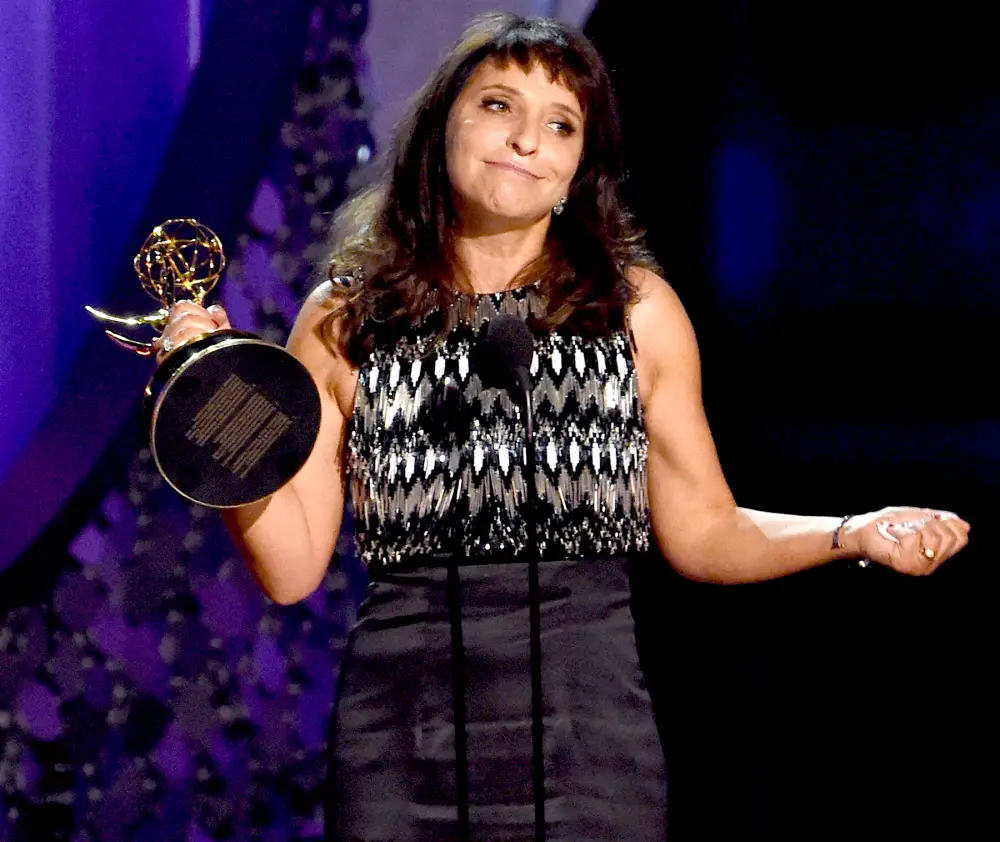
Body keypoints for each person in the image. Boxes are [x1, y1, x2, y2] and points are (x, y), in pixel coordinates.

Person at [155, 13, 971, 842]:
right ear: (444, 126)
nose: (525, 141)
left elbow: (705, 531)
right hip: (398, 740)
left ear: (580, 167)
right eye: (499, 106)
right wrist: (215, 408)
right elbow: (291, 568)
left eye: (559, 124)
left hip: (588, 742)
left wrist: (851, 530)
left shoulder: (634, 313)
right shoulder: (345, 320)